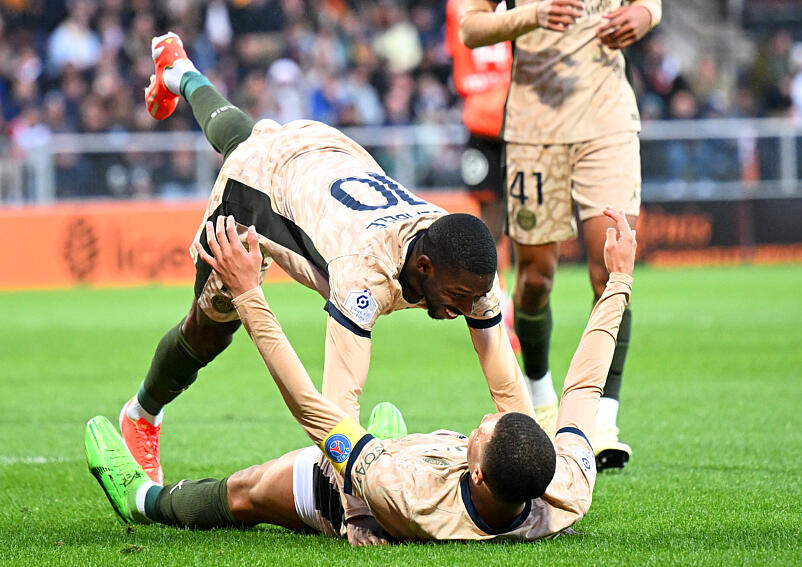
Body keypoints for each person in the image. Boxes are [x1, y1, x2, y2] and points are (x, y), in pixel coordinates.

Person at [119, 33, 533, 502]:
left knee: (245, 134)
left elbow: (504, 381)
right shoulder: (363, 272)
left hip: (328, 153)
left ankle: (178, 71)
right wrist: (357, 505)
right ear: (423, 267)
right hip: (259, 191)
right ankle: (142, 413)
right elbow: (333, 407)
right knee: (210, 329)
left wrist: (528, 467)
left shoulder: (466, 262)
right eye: (457, 299)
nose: (464, 310)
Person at [86, 207, 637, 543]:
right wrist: (617, 281)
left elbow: (312, 408)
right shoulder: (566, 487)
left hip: (370, 487)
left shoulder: (403, 492)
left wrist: (251, 294)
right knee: (380, 443)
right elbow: (584, 387)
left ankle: (141, 497)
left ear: (478, 478)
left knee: (248, 494)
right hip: (407, 462)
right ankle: (387, 439)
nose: (487, 419)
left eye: (485, 432)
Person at [458, 0, 662, 469]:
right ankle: (541, 396)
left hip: (608, 124)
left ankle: (602, 419)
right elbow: (471, 29)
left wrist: (646, 15)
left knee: (609, 269)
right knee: (534, 279)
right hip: (534, 129)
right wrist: (532, 15)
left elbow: (648, 3)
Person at [445, 0, 519, 354]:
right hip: (510, 114)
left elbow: (458, 53)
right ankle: (502, 304)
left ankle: (503, 306)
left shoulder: (456, 5)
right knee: (501, 225)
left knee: (495, 225)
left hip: (486, 116)